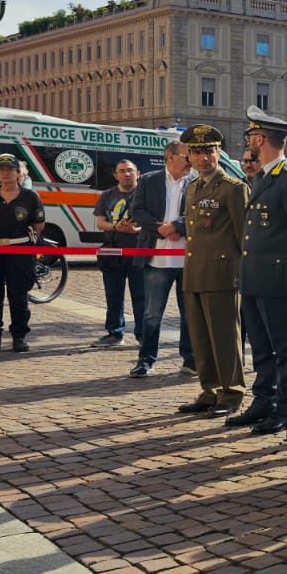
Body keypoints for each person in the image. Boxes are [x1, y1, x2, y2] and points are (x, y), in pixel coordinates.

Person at [227, 107, 287, 436]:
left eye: (251, 137)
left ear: (260, 139)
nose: (249, 142)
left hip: (279, 281)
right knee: (260, 347)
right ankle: (264, 401)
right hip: (254, 279)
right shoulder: (261, 178)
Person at [175, 125, 249, 417]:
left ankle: (231, 393)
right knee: (201, 337)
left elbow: (244, 236)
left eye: (209, 151)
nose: (203, 157)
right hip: (194, 273)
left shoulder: (233, 188)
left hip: (222, 274)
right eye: (196, 152)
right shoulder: (192, 186)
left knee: (225, 338)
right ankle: (210, 390)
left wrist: (241, 276)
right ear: (189, 156)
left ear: (218, 152)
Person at [128, 141, 195, 378]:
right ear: (170, 157)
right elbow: (136, 212)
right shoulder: (148, 180)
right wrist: (162, 229)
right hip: (157, 259)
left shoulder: (197, 181)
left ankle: (190, 359)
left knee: (190, 314)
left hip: (189, 260)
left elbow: (200, 214)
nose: (191, 161)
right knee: (151, 313)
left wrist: (177, 226)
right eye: (187, 157)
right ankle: (146, 360)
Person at [0, 153, 46, 353]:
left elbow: (38, 224)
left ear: (17, 172)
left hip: (19, 250)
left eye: (10, 169)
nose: (5, 173)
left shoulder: (30, 196)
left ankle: (19, 337)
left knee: (19, 294)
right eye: (1, 170)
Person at [92, 160, 145, 347]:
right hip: (112, 251)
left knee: (141, 295)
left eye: (130, 170)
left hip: (139, 250)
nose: (126, 174)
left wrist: (136, 230)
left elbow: (154, 221)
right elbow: (100, 222)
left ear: (137, 173)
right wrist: (116, 227)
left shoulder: (145, 194)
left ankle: (142, 334)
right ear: (116, 175)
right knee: (113, 295)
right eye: (122, 171)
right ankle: (115, 333)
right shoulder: (107, 195)